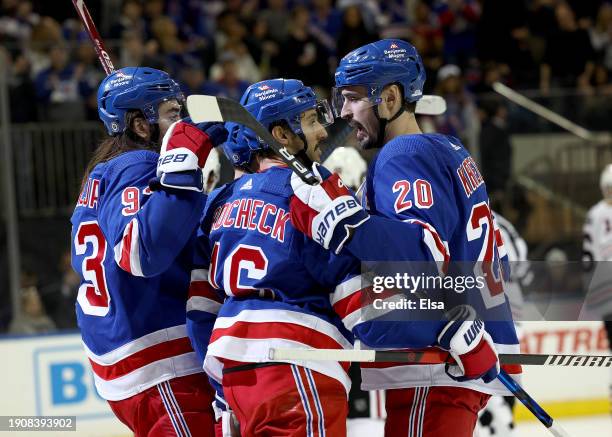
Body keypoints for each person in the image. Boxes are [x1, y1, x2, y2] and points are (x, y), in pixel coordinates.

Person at [289, 39, 521, 437]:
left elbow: (423, 255)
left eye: (353, 98)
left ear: (391, 97)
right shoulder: (448, 147)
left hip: (438, 359)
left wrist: (347, 221)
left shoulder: (404, 153)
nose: (343, 112)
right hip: (462, 352)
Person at [186, 78, 357, 436]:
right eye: (310, 121)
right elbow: (354, 290)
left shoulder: (217, 202)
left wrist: (221, 392)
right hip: (297, 361)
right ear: (281, 135)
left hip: (232, 371)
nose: (323, 134)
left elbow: (201, 312)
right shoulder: (313, 188)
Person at [70, 66, 227, 436]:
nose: (184, 122)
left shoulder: (104, 174)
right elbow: (140, 252)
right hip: (160, 360)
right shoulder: (136, 164)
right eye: (173, 114)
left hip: (134, 358)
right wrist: (182, 169)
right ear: (141, 125)